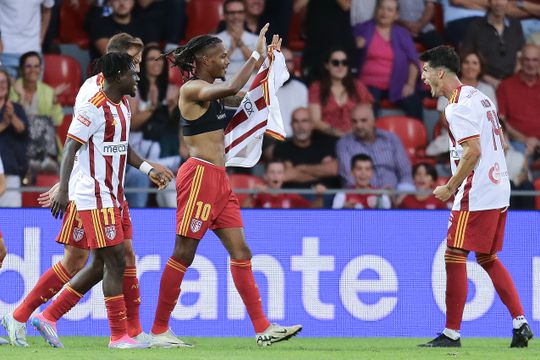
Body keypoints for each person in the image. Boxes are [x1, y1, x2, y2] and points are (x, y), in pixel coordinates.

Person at [1, 33, 173, 348]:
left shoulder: (122, 99)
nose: (138, 67)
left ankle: (129, 331)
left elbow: (118, 146)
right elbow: (75, 145)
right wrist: (63, 186)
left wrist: (148, 169)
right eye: (133, 61)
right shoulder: (91, 95)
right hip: (88, 191)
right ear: (117, 62)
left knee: (110, 257)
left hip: (111, 188)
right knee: (85, 260)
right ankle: (26, 316)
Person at [151, 25, 302, 347]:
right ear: (205, 60)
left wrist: (270, 66)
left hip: (220, 180)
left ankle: (263, 328)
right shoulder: (192, 89)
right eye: (221, 57)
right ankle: (159, 330)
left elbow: (252, 96)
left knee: (241, 251)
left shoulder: (213, 91)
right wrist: (257, 54)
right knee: (184, 252)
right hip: (199, 177)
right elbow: (236, 84)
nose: (225, 62)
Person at [419, 45, 533, 348]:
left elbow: (473, 151)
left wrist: (450, 186)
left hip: (476, 191)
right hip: (498, 187)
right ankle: (520, 322)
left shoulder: (456, 107)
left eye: (427, 70)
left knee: (453, 253)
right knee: (487, 256)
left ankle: (451, 333)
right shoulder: (480, 97)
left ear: (440, 73)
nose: (423, 76)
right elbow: (503, 144)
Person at [354, 0, 424, 121]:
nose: (384, 13)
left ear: (396, 15)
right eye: (381, 8)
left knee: (414, 103)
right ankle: (371, 139)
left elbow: (413, 60)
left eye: (389, 10)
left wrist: (410, 84)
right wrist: (355, 46)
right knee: (369, 106)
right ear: (376, 10)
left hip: (398, 82)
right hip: (369, 83)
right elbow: (347, 52)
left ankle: (419, 138)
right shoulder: (362, 29)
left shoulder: (402, 33)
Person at [10, 51, 65, 181]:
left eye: (36, 66)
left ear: (40, 69)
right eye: (28, 66)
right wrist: (21, 97)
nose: (32, 70)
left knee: (44, 122)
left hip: (44, 145)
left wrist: (55, 101)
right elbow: (15, 119)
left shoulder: (47, 91)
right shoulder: (12, 91)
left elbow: (57, 121)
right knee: (33, 120)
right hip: (20, 142)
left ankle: (43, 162)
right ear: (22, 69)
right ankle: (33, 164)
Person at [336, 103, 413, 189]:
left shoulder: (391, 139)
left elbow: (405, 172)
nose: (358, 125)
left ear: (373, 121)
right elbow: (348, 177)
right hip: (361, 196)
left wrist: (403, 194)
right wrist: (372, 195)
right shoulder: (344, 144)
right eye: (354, 121)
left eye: (363, 120)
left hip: (394, 195)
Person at [308, 49, 373, 137]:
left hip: (356, 137)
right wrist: (339, 134)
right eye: (335, 63)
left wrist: (352, 133)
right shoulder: (317, 87)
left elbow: (367, 115)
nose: (340, 66)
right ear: (327, 65)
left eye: (344, 62)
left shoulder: (358, 86)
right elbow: (315, 121)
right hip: (326, 137)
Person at [461, 0, 525, 89]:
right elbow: (467, 57)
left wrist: (510, 82)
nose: (499, 2)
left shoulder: (516, 25)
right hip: (484, 83)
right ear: (489, 2)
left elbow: (520, 55)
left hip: (512, 84)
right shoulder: (476, 26)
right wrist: (492, 81)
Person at [273, 107, 340, 191]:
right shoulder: (282, 147)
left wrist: (301, 168)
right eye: (296, 121)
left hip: (326, 197)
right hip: (293, 196)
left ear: (312, 125)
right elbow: (285, 175)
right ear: (291, 125)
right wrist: (322, 171)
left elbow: (333, 170)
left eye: (304, 121)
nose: (300, 126)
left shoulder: (326, 143)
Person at [496, 43, 540, 154]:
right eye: (527, 60)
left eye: (535, 60)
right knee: (517, 162)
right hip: (517, 142)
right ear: (520, 61)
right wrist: (526, 140)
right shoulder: (505, 86)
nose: (531, 64)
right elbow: (501, 121)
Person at [0, 0, 54, 77]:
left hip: (33, 49)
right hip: (5, 51)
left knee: (34, 89)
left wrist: (41, 38)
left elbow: (47, 11)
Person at [243, 160, 325, 209]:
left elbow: (313, 213)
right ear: (266, 176)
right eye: (272, 172)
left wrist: (319, 197)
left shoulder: (291, 196)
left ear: (283, 176)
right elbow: (243, 215)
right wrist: (251, 195)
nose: (276, 176)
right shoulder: (258, 195)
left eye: (279, 172)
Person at [216, 0, 260, 91]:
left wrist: (241, 44)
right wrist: (232, 49)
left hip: (250, 89)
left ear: (245, 14)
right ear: (224, 15)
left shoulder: (257, 39)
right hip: (222, 88)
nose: (236, 16)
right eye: (231, 13)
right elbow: (214, 66)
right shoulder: (215, 40)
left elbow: (260, 66)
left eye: (240, 12)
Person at [0, 68, 28, 208]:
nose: (2, 85)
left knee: (10, 216)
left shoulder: (16, 108)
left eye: (4, 82)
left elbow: (23, 130)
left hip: (11, 171)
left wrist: (12, 117)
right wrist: (5, 124)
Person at [277, 47, 308, 137]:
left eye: (289, 61)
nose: (285, 65)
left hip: (297, 138)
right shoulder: (264, 88)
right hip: (272, 140)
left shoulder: (301, 87)